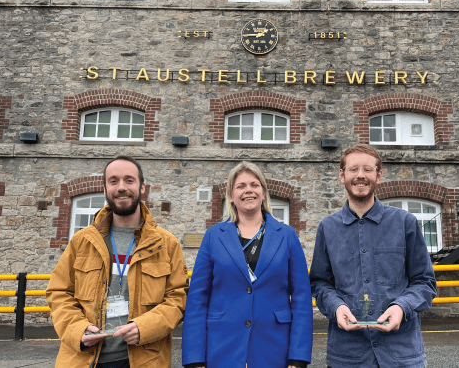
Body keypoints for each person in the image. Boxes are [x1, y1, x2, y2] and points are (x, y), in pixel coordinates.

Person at [46, 156, 188, 368]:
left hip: (144, 360)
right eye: (114, 181)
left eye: (129, 180)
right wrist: (78, 330)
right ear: (105, 188)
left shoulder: (167, 244)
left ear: (142, 188)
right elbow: (59, 292)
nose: (121, 187)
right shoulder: (82, 241)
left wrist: (145, 328)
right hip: (83, 359)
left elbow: (177, 299)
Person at [310, 144, 436, 368]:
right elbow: (320, 283)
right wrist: (337, 307)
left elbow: (425, 282)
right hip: (347, 356)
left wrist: (401, 307)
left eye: (368, 169)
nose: (360, 175)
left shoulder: (405, 223)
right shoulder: (327, 228)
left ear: (378, 176)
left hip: (401, 355)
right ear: (342, 175)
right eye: (353, 169)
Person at [182, 161, 313, 368]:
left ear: (263, 193)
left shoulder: (287, 236)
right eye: (241, 186)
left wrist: (299, 356)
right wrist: (194, 358)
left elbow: (301, 298)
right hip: (222, 347)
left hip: (274, 348)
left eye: (254, 184)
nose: (248, 190)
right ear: (231, 196)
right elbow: (197, 298)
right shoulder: (213, 236)